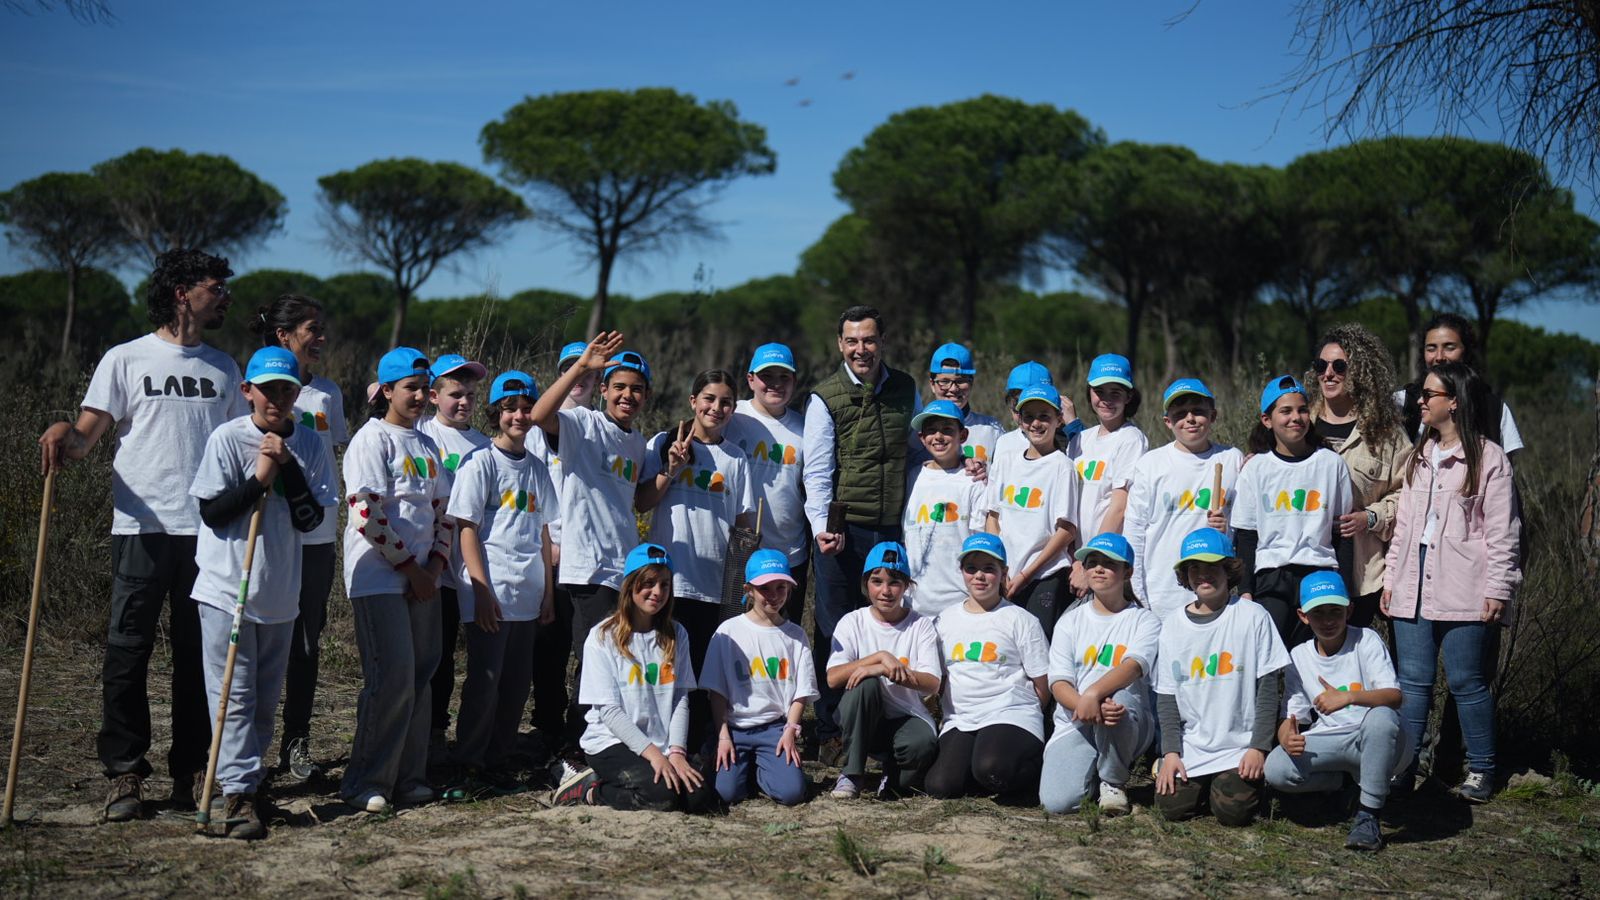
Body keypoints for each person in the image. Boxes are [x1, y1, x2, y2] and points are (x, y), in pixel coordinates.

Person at [38, 248, 244, 822]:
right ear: (182, 292)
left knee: (196, 658)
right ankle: (125, 772)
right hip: (141, 528)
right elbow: (85, 438)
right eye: (215, 287)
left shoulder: (225, 368)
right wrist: (63, 433)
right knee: (127, 652)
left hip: (206, 534)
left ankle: (192, 770)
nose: (225, 296)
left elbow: (235, 449)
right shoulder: (125, 359)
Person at [189, 346, 335, 838]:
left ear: (298, 393)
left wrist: (287, 467)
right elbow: (212, 512)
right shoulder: (227, 439)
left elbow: (312, 519)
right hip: (226, 589)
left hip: (279, 592)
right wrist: (260, 478)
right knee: (233, 695)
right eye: (267, 388)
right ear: (247, 391)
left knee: (264, 703)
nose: (276, 398)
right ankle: (238, 793)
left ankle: (244, 781)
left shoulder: (312, 445)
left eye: (286, 389)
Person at [1383, 361, 1520, 803]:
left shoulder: (1489, 457)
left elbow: (1503, 531)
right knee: (1413, 682)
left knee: (1466, 681)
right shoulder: (1418, 455)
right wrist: (1391, 578)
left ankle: (1481, 770)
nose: (1419, 401)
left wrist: (1499, 588)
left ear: (1454, 402)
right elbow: (1404, 525)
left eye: (1429, 395)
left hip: (1465, 583)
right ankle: (1402, 769)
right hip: (1411, 581)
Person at [339, 347, 455, 813]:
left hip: (423, 579)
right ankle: (367, 781)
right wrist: (409, 567)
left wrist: (433, 569)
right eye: (411, 388)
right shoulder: (372, 440)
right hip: (380, 578)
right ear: (386, 390)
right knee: (391, 679)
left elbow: (444, 512)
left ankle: (410, 776)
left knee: (420, 678)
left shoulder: (428, 445)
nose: (421, 397)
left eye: (426, 389)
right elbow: (365, 512)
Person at [802, 305, 918, 763]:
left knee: (887, 624)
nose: (860, 349)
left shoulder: (906, 388)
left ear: (882, 341)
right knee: (834, 628)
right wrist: (821, 531)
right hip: (842, 532)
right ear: (839, 345)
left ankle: (881, 724)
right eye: (851, 341)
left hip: (890, 529)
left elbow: (917, 449)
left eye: (868, 340)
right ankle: (831, 729)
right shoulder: (823, 397)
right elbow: (817, 472)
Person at [529, 332, 649, 757]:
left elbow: (638, 499)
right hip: (586, 567)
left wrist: (668, 471)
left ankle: (590, 738)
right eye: (619, 387)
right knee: (590, 660)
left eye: (636, 389)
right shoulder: (583, 424)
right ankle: (574, 746)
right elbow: (539, 414)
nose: (627, 396)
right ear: (603, 390)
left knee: (607, 659)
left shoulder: (636, 442)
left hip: (624, 569)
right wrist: (581, 365)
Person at [445, 371, 560, 794]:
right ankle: (469, 763)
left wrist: (548, 592)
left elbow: (546, 532)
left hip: (528, 594)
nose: (519, 415)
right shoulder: (481, 463)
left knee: (516, 684)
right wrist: (480, 590)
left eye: (526, 407)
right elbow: (467, 529)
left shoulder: (537, 468)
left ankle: (498, 758)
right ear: (496, 413)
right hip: (491, 592)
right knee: (485, 681)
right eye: (509, 408)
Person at [251, 293, 349, 784]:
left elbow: (337, 456)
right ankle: (249, 748)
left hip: (319, 531)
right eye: (313, 328)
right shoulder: (253, 389)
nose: (322, 338)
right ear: (284, 336)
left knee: (308, 641)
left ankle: (297, 742)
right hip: (271, 528)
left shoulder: (327, 393)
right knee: (266, 634)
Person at [552, 544, 718, 812]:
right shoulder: (602, 637)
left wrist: (676, 752)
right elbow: (609, 711)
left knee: (697, 798)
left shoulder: (677, 634)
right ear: (630, 585)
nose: (657, 592)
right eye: (648, 583)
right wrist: (653, 755)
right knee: (660, 797)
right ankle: (589, 789)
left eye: (665, 584)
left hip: (659, 743)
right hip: (611, 741)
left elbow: (679, 699)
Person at [1266, 572, 1411, 852]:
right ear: (1303, 616)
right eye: (1318, 613)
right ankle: (1344, 783)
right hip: (1333, 739)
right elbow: (1292, 715)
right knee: (1276, 769)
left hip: (1378, 739)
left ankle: (1369, 816)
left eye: (1336, 611)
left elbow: (1394, 697)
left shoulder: (1366, 640)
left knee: (1381, 718)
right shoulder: (1299, 655)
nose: (1329, 620)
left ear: (1350, 610)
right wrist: (1286, 737)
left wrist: (1349, 697)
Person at [1153, 528, 1289, 827]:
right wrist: (1171, 752)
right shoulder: (1173, 626)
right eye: (1195, 568)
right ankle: (1203, 784)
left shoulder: (1253, 616)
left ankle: (1231, 785)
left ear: (1229, 570)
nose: (1204, 575)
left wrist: (1259, 747)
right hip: (1194, 747)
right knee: (1170, 808)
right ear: (1184, 575)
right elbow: (1167, 697)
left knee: (1233, 813)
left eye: (1212, 567)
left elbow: (1268, 688)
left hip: (1240, 746)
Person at [636, 369, 757, 663]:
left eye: (726, 402)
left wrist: (743, 582)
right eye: (709, 399)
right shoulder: (662, 443)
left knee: (705, 677)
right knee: (667, 669)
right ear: (693, 401)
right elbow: (642, 502)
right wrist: (671, 469)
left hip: (715, 587)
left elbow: (743, 525)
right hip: (669, 583)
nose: (716, 408)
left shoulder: (736, 458)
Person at [925, 534, 1051, 804]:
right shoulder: (944, 620)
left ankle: (1032, 766)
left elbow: (1043, 685)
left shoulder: (1020, 619)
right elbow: (939, 678)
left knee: (992, 769)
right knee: (941, 786)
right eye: (971, 569)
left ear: (1003, 573)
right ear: (961, 572)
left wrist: (1025, 712)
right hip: (961, 718)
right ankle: (983, 764)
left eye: (989, 569)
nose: (979, 576)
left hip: (1009, 712)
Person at [1040, 533, 1158, 816]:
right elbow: (1059, 682)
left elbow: (1133, 666)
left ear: (1127, 571)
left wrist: (1094, 694)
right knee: (1057, 803)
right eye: (1092, 563)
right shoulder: (1069, 621)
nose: (1099, 569)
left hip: (1125, 717)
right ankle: (1094, 769)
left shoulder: (1145, 620)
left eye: (1109, 563)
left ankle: (1113, 781)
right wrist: (1084, 704)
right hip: (1077, 718)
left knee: (1117, 699)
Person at [1233, 375, 1354, 644]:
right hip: (1271, 576)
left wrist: (1345, 586)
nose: (1295, 418)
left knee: (1313, 658)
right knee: (1269, 659)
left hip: (1319, 573)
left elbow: (1343, 532)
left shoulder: (1330, 464)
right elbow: (1246, 535)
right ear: (1267, 420)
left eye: (1302, 410)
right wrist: (1245, 590)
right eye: (1285, 411)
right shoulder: (1256, 468)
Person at [1305, 324, 1410, 628]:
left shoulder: (1386, 433)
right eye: (1321, 366)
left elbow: (1410, 493)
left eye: (1339, 366)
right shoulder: (1300, 424)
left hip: (1364, 575)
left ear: (1360, 371)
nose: (1328, 374)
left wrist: (1371, 517)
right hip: (1308, 570)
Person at [417, 354, 491, 766]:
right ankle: (429, 733)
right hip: (433, 566)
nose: (463, 402)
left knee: (474, 659)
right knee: (437, 657)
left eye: (470, 395)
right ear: (433, 396)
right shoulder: (423, 436)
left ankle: (468, 738)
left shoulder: (483, 445)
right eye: (454, 394)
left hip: (470, 568)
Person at [824, 542, 941, 799]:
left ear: (907, 586)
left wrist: (890, 671)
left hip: (906, 716)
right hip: (863, 716)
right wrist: (878, 660)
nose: (885, 591)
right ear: (866, 584)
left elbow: (932, 683)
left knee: (920, 748)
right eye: (877, 581)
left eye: (895, 582)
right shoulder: (853, 621)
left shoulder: (920, 625)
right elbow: (833, 678)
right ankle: (852, 773)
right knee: (864, 684)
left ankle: (892, 769)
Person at [701, 550, 819, 807]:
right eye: (765, 588)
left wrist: (790, 730)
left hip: (775, 729)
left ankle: (768, 771)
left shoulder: (796, 635)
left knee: (791, 794)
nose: (774, 596)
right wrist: (723, 735)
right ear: (749, 589)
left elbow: (802, 692)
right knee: (726, 794)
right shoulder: (728, 632)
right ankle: (747, 771)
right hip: (735, 728)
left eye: (781, 587)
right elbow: (717, 691)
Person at [1124, 379, 1243, 624]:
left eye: (1198, 411)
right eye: (1180, 414)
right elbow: (1135, 532)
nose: (1190, 419)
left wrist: (1227, 529)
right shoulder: (1151, 464)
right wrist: (1138, 595)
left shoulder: (1232, 460)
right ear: (1167, 422)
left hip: (1214, 593)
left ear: (1213, 416)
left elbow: (1246, 527)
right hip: (1160, 596)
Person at [529, 340, 592, 753]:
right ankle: (546, 724)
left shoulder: (599, 425)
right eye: (571, 369)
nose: (579, 379)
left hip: (588, 557)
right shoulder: (539, 429)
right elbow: (533, 492)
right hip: (550, 552)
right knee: (548, 645)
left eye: (587, 371)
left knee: (588, 647)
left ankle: (580, 723)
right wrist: (546, 544)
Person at [983, 384, 1079, 633]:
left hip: (1044, 576)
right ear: (1020, 420)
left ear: (1058, 419)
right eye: (1029, 417)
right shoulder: (1005, 461)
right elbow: (993, 518)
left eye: (1044, 416)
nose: (1036, 424)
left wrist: (1026, 575)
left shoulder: (1062, 466)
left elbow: (1066, 530)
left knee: (1039, 648)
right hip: (1006, 576)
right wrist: (1000, 567)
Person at [727, 343, 809, 624]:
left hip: (789, 554)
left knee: (783, 635)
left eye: (783, 377)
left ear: (794, 381)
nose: (775, 384)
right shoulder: (732, 416)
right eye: (767, 376)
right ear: (750, 379)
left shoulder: (804, 428)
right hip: (740, 553)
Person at [1067, 354, 1148, 596]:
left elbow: (1119, 508)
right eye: (1100, 391)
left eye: (1116, 392)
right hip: (1074, 560)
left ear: (1129, 396)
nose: (1106, 400)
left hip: (1103, 561)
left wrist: (1089, 562)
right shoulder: (1081, 439)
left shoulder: (1131, 439)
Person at [1395, 313, 1523, 461]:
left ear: (1466, 351)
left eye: (1449, 347)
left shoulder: (1493, 409)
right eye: (1431, 348)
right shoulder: (1402, 402)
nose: (1439, 357)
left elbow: (1505, 471)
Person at [902, 400, 988, 618]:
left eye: (947, 430)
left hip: (960, 602)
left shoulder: (974, 481)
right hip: (914, 603)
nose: (938, 437)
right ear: (921, 438)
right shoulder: (912, 477)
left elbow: (980, 540)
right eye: (931, 431)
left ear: (963, 435)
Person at [926, 342, 1004, 464]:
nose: (953, 389)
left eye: (961, 381)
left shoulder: (991, 430)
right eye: (944, 381)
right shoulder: (919, 431)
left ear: (971, 383)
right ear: (932, 384)